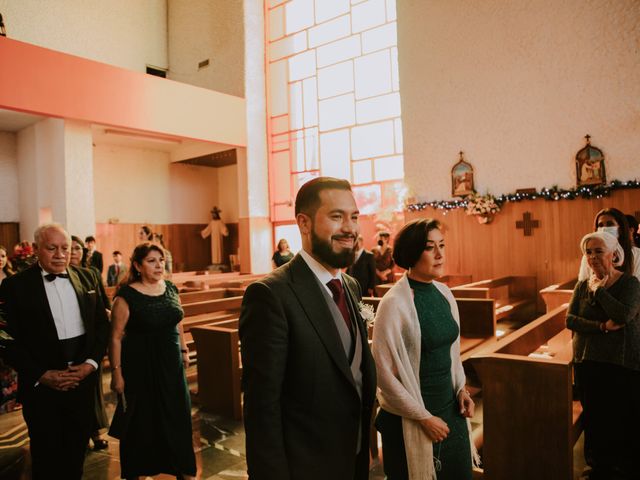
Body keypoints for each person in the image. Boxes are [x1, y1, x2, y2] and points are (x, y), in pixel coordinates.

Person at [239, 177, 377, 480]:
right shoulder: (271, 295)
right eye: (336, 216)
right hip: (305, 465)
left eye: (354, 217)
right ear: (303, 223)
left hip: (352, 457)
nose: (350, 228)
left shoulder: (350, 286)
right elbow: (262, 408)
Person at [0, 223, 109, 479]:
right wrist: (41, 374)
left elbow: (102, 325)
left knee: (75, 454)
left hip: (82, 383)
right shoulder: (14, 286)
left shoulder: (88, 277)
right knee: (46, 457)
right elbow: (4, 337)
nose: (60, 254)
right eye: (52, 248)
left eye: (65, 248)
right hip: (41, 387)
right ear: (36, 249)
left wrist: (91, 364)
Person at [372, 219, 477, 480]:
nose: (440, 254)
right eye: (431, 248)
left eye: (442, 245)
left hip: (450, 411)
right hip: (414, 418)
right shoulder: (394, 303)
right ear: (411, 252)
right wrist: (423, 418)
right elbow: (383, 373)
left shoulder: (444, 293)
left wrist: (461, 388)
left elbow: (452, 353)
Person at [109, 243, 196, 480]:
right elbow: (115, 337)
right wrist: (117, 374)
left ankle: (183, 468)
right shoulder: (126, 296)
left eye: (161, 260)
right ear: (137, 266)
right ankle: (138, 471)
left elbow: (178, 320)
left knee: (177, 418)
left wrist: (185, 350)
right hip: (140, 367)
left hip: (171, 366)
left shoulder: (170, 287)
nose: (159, 265)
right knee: (142, 423)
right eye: (151, 261)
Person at [566, 231, 640, 479]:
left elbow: (623, 315)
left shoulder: (630, 284)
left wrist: (599, 292)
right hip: (588, 361)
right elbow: (571, 320)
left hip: (621, 362)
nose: (593, 256)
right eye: (588, 252)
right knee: (595, 417)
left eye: (599, 251)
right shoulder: (581, 285)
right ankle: (596, 466)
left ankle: (622, 467)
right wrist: (601, 327)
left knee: (620, 415)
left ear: (613, 253)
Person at [70, 235, 111, 450]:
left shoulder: (92, 274)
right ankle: (80, 432)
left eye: (78, 248)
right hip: (70, 342)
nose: (75, 251)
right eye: (72, 248)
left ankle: (95, 431)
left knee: (93, 392)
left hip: (90, 341)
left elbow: (104, 302)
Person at [578, 208, 640, 281]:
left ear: (620, 229)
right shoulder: (590, 255)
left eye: (610, 224)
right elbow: (583, 282)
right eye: (600, 225)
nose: (604, 228)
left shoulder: (637, 254)